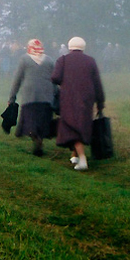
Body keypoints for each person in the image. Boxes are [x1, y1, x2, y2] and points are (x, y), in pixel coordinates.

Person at [51, 36, 105, 171]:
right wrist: (100, 102)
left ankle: (82, 159)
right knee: (81, 124)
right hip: (87, 99)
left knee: (71, 127)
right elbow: (97, 83)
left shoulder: (63, 60)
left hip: (69, 98)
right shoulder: (90, 61)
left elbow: (55, 78)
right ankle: (74, 155)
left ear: (70, 47)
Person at [7, 39, 56, 156]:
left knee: (30, 120)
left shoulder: (24, 59)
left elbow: (17, 79)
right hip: (46, 96)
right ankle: (40, 139)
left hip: (30, 96)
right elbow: (54, 80)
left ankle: (36, 139)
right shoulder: (49, 60)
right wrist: (56, 94)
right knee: (43, 120)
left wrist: (12, 97)